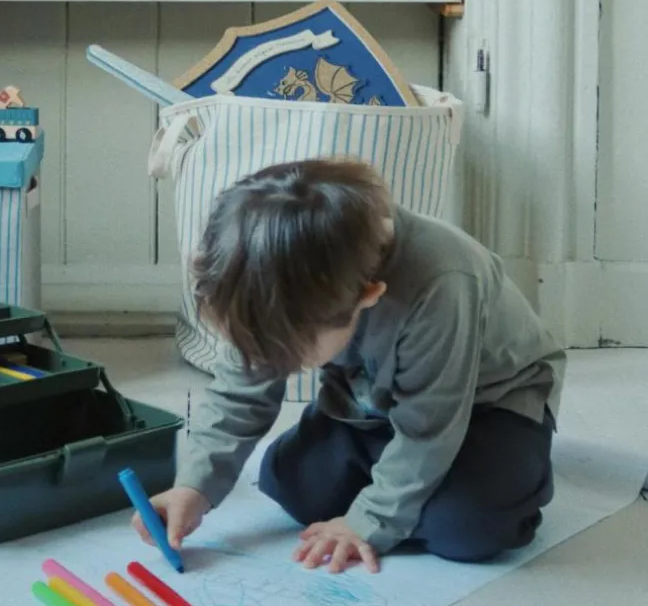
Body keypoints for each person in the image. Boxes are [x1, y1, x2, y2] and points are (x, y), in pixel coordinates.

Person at [132, 159, 566, 574]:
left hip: (487, 406)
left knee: (470, 530)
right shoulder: (267, 275)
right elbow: (237, 394)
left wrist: (369, 521)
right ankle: (407, 485)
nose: (271, 364)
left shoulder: (443, 281)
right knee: (287, 480)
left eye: (287, 354)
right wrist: (194, 486)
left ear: (368, 296)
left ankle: (507, 474)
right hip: (375, 404)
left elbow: (430, 425)